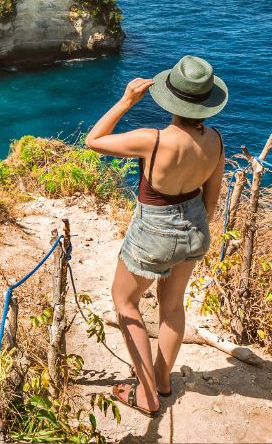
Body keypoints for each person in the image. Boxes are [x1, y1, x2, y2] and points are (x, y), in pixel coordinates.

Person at [85, 55, 227, 416]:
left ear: (170, 99)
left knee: (125, 301)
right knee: (172, 307)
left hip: (154, 229)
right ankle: (162, 380)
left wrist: (126, 101)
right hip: (195, 226)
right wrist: (194, 231)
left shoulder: (153, 139)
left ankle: (146, 394)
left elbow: (94, 140)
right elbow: (212, 197)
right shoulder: (216, 141)